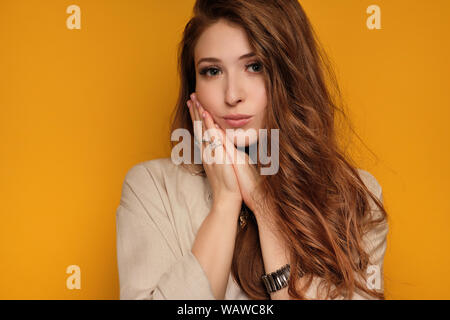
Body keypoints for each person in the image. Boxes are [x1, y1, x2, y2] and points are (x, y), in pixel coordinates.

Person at [116, 0, 389, 300]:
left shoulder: (354, 196)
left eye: (254, 66)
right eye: (212, 71)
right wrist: (225, 202)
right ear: (193, 85)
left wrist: (263, 203)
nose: (232, 95)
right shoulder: (153, 188)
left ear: (290, 76)